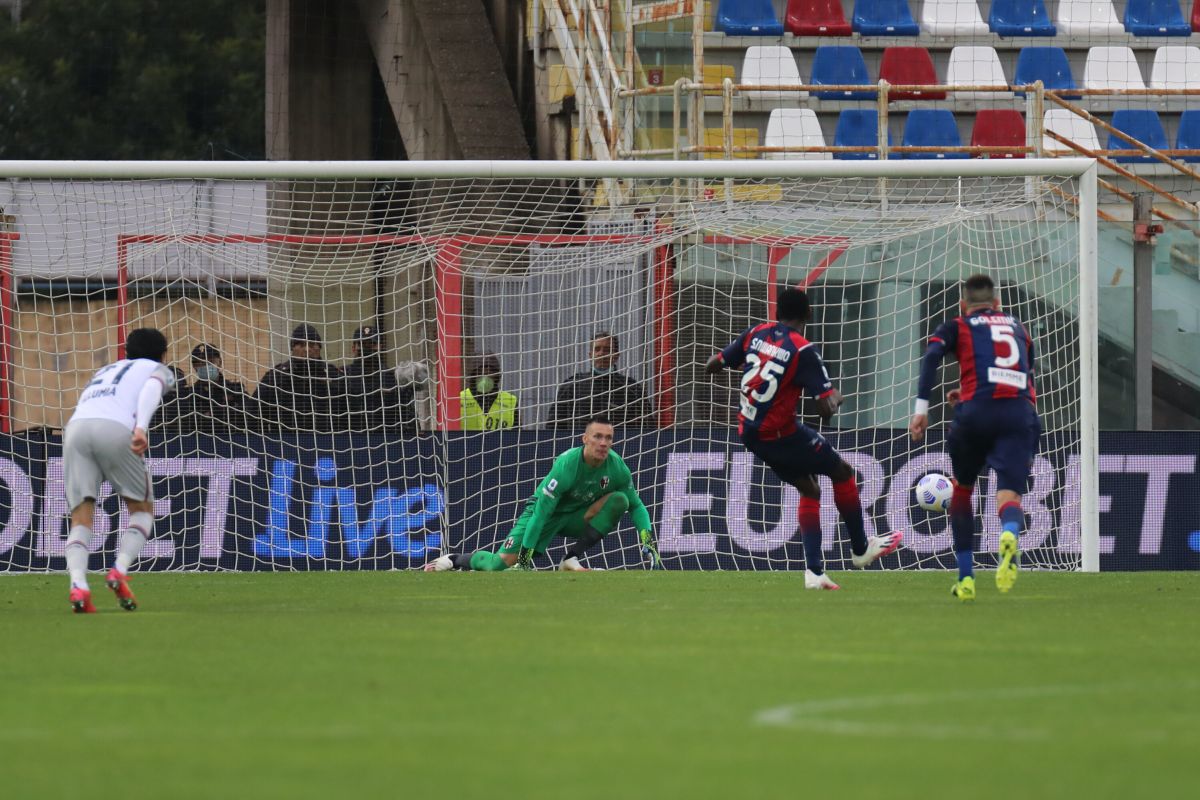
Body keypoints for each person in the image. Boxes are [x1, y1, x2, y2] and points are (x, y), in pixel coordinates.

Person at [706, 288, 902, 590]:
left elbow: (714, 363)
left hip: (749, 431)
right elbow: (825, 411)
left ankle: (814, 573)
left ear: (776, 313)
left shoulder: (757, 332)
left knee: (809, 488)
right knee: (842, 472)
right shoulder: (802, 349)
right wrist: (836, 398)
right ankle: (861, 549)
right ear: (809, 313)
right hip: (781, 434)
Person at [909, 274, 1040, 603]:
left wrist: (922, 410)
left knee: (963, 491)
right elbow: (1026, 375)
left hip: (977, 414)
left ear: (963, 305)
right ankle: (1009, 534)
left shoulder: (958, 324)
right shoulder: (1019, 328)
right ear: (997, 303)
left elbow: (930, 357)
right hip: (1018, 413)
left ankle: (966, 579)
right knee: (1009, 496)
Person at [425, 414, 659, 572]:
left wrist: (648, 540)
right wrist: (525, 559)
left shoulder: (617, 467)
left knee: (621, 499)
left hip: (577, 517)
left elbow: (636, 505)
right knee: (498, 565)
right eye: (597, 436)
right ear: (585, 439)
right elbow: (541, 513)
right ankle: (454, 559)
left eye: (608, 438)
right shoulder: (566, 465)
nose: (603, 443)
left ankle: (570, 557)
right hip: (543, 514)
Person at [62, 327, 175, 613]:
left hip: (75, 429)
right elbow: (151, 387)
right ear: (163, 354)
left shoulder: (107, 369)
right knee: (141, 511)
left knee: (80, 518)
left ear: (126, 352)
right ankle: (119, 570)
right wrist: (140, 428)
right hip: (114, 429)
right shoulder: (158, 368)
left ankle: (78, 585)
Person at [550, 331, 652, 432]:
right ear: (590, 355)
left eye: (607, 350)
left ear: (616, 356)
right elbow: (554, 424)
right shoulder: (572, 385)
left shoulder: (631, 388)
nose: (601, 354)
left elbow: (647, 424)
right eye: (597, 349)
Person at [254, 323, 344, 434]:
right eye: (301, 345)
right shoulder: (276, 377)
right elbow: (254, 414)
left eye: (311, 345)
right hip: (285, 444)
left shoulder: (333, 376)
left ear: (319, 347)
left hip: (327, 443)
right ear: (293, 348)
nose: (307, 349)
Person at [342, 325, 416, 435]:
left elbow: (406, 414)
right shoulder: (343, 375)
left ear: (379, 347)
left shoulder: (392, 377)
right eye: (362, 344)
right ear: (353, 348)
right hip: (350, 440)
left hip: (385, 440)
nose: (367, 348)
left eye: (372, 344)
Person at [173, 343, 253, 435]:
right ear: (194, 367)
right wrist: (224, 411)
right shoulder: (187, 395)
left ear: (219, 362)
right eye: (201, 363)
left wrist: (209, 414)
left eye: (210, 361)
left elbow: (245, 417)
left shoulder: (236, 391)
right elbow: (188, 423)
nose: (206, 365)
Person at [459, 352, 519, 430]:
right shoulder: (459, 399)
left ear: (497, 376)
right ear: (473, 376)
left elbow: (518, 435)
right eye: (480, 371)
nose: (485, 377)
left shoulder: (510, 401)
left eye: (490, 372)